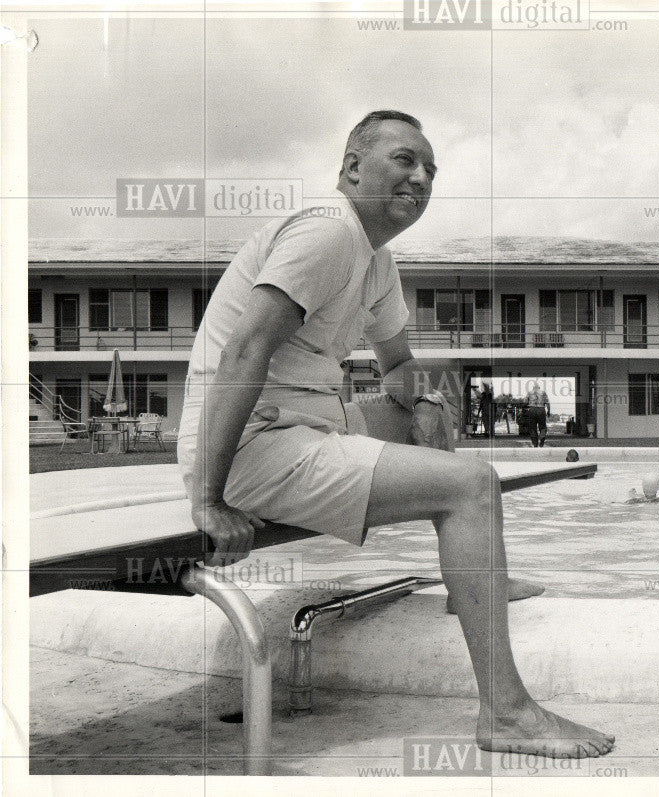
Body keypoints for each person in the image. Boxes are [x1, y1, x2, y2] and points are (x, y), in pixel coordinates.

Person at [176, 111, 613, 759]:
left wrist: (423, 397)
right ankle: (507, 712)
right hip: (250, 442)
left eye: (431, 168)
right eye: (405, 160)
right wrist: (211, 497)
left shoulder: (375, 261)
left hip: (306, 423)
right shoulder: (327, 233)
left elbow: (399, 365)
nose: (421, 177)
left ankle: (474, 579)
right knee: (472, 486)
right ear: (353, 168)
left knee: (434, 405)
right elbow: (245, 352)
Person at [524, 382, 550, 447]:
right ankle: (542, 437)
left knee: (532, 427)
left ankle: (535, 443)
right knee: (543, 426)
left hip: (532, 409)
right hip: (541, 409)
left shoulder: (529, 393)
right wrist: (548, 411)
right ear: (539, 388)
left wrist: (526, 410)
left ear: (533, 388)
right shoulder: (543, 393)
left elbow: (525, 402)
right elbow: (547, 402)